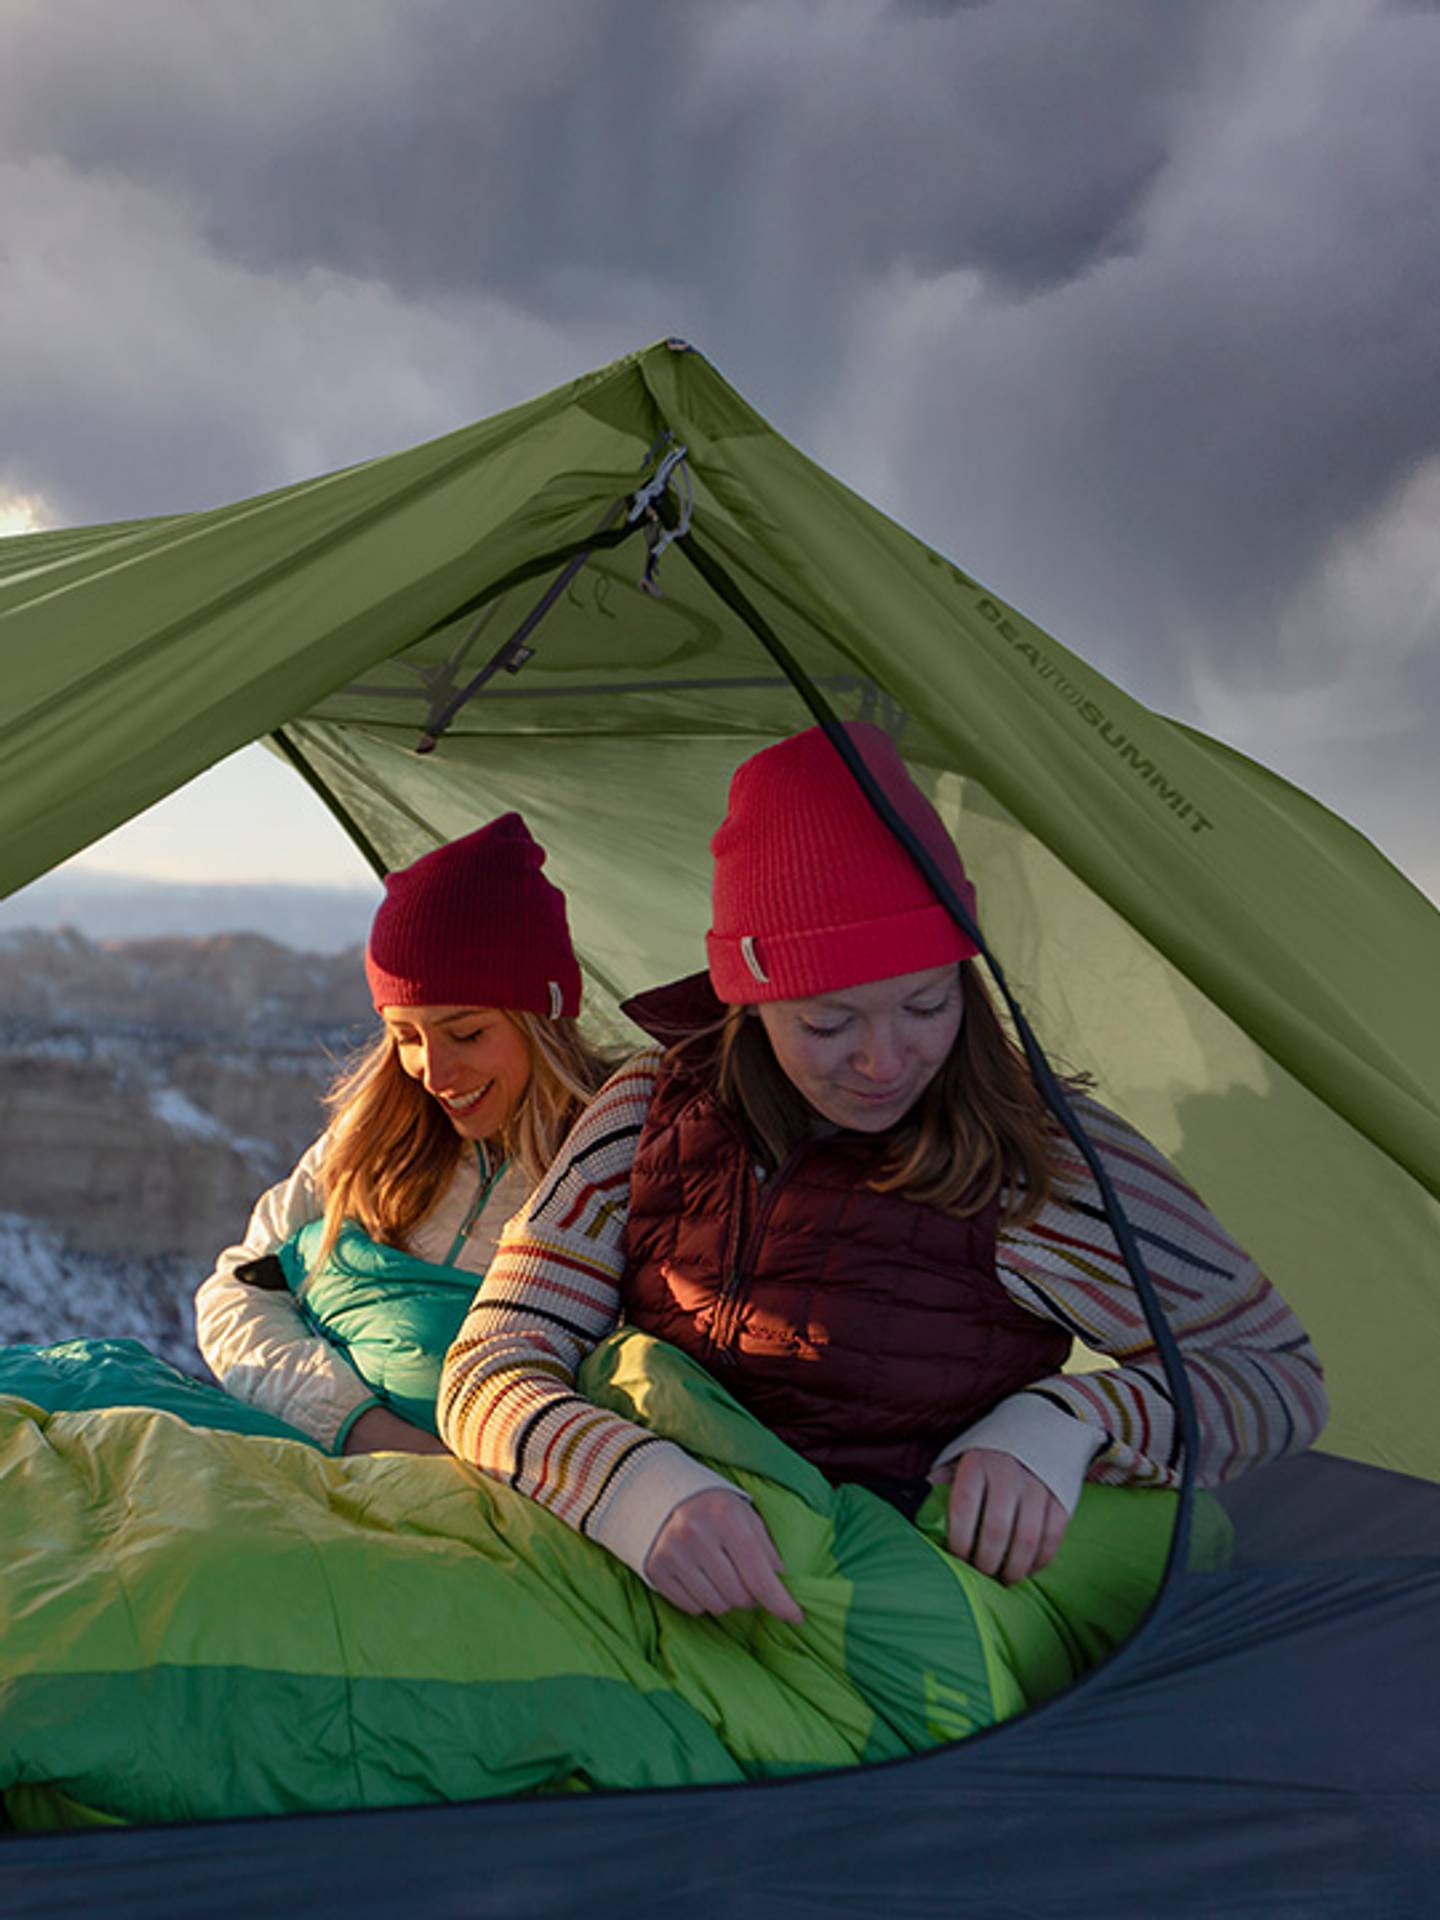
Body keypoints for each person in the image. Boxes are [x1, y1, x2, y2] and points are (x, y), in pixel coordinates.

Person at [438, 725, 1327, 1620]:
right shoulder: (645, 1113)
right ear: (745, 999)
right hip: (626, 1568)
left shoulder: (1040, 1160)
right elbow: (489, 1365)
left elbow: (1277, 1379)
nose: (884, 1061)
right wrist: (626, 1484)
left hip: (876, 1611)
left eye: (926, 1004)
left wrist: (1070, 1422)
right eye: (827, 1024)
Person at [196, 813, 616, 1455]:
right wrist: (364, 1428)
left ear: (545, 1018)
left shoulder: (620, 1159)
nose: (434, 1074)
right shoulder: (376, 1132)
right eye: (405, 1037)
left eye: (467, 1033)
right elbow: (233, 1297)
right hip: (339, 1460)